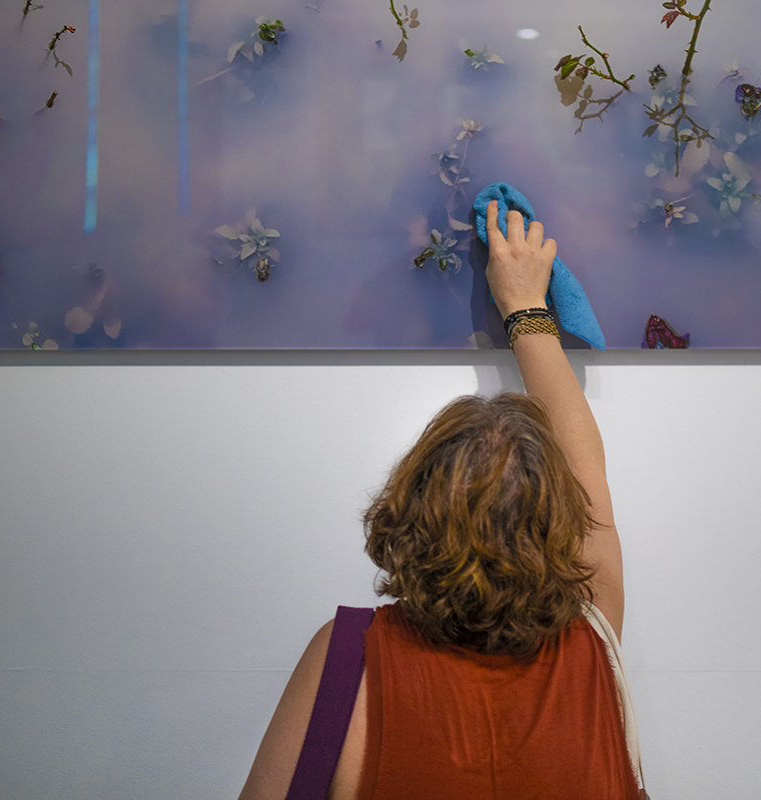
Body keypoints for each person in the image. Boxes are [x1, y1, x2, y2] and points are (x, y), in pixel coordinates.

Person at [238, 201, 639, 799]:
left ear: (407, 509)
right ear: (561, 524)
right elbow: (586, 467)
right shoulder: (592, 637)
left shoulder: (347, 658)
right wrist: (525, 307)